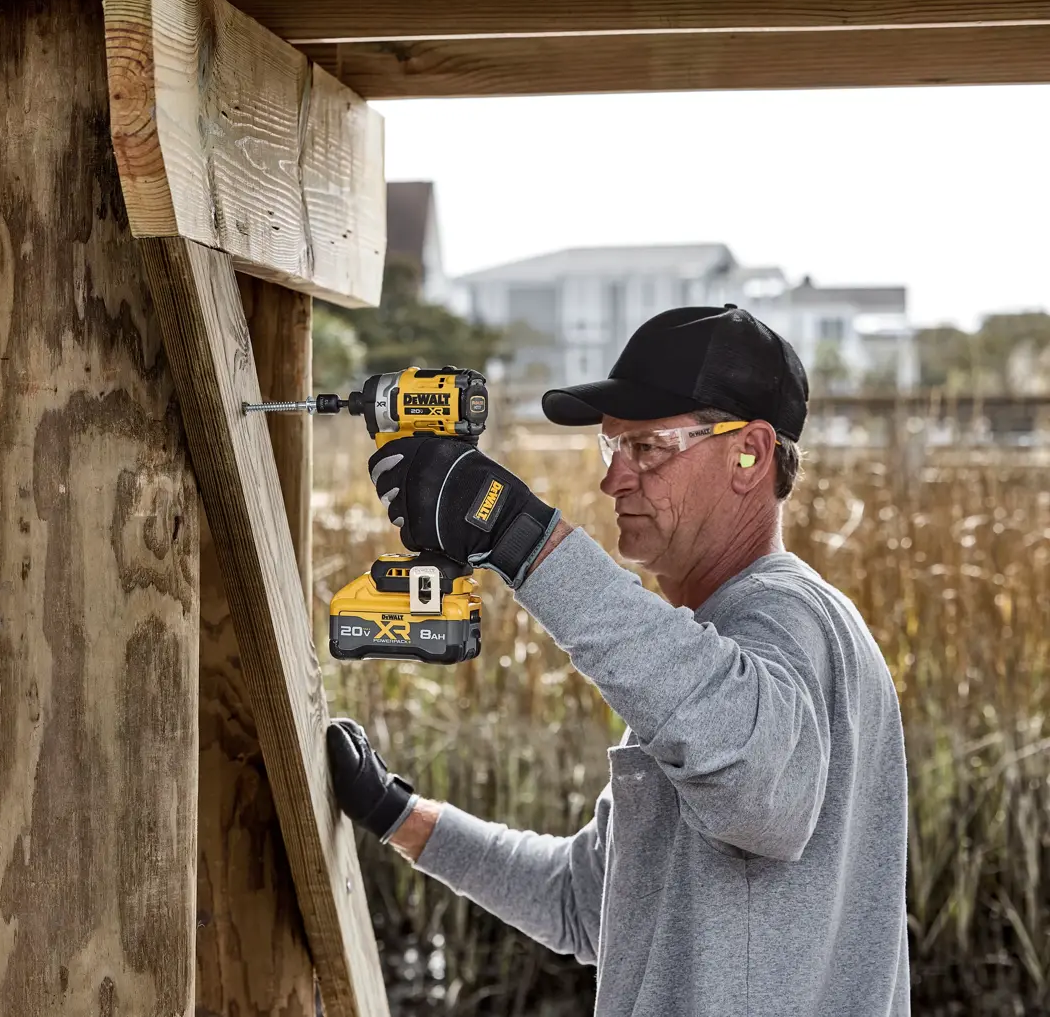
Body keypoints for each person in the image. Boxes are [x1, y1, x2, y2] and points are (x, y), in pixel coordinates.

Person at [327, 305, 910, 1017]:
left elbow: (762, 796)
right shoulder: (709, 654)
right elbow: (586, 903)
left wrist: (520, 537)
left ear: (750, 455)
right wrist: (397, 811)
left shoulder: (787, 618)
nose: (614, 481)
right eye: (613, 448)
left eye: (648, 447)